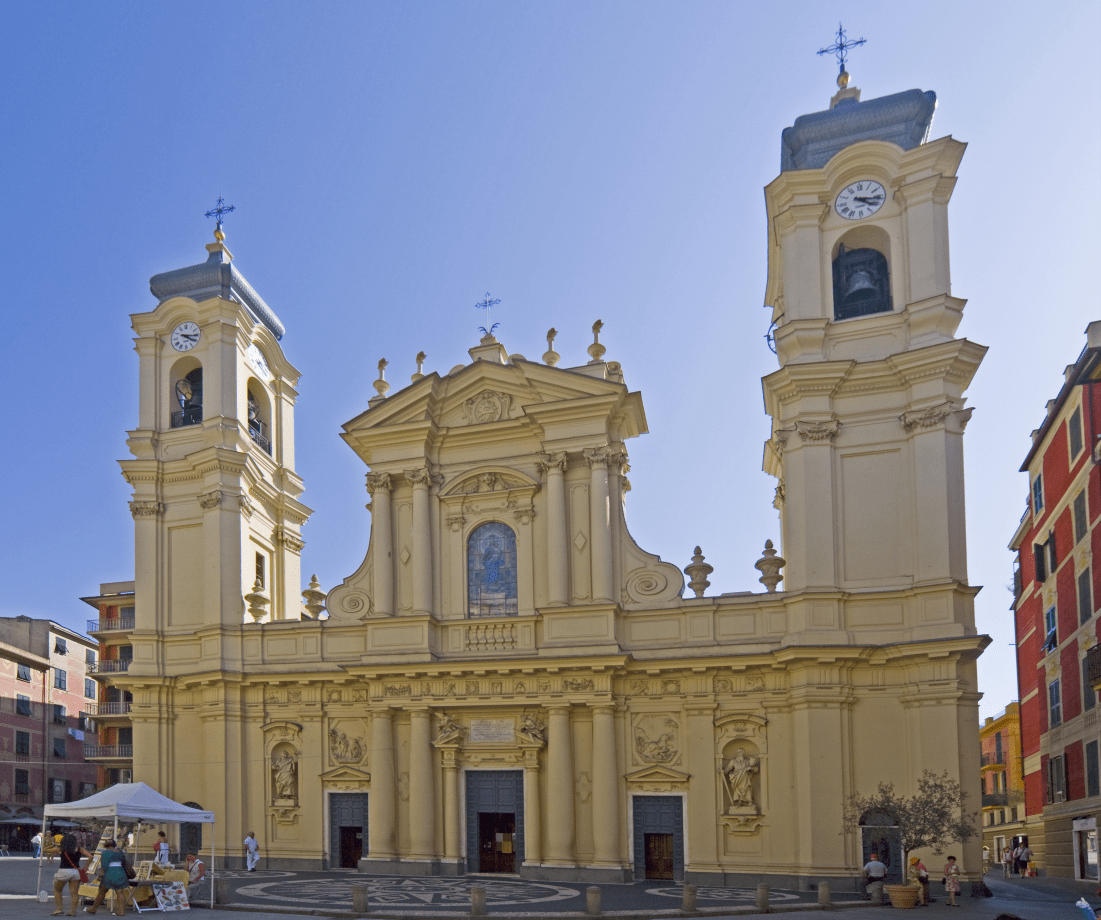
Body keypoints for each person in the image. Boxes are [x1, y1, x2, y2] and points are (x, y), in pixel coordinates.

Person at [83, 838, 133, 916]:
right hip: (120, 872)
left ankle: (94, 908)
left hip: (109, 873)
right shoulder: (120, 852)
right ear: (114, 845)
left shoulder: (105, 852)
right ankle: (121, 911)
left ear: (105, 845)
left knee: (102, 892)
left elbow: (105, 866)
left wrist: (101, 875)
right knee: (120, 892)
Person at [52, 833, 92, 917]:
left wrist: (53, 844)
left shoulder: (61, 849)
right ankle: (72, 911)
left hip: (63, 871)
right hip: (75, 872)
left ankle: (59, 908)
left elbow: (44, 850)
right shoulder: (79, 849)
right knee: (74, 893)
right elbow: (90, 856)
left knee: (57, 890)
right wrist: (86, 866)